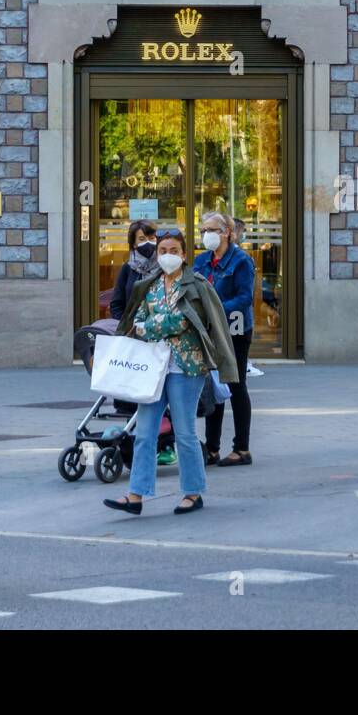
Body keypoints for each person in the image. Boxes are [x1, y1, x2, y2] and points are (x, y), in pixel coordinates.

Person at [103, 227, 238, 516]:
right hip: (153, 368)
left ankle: (193, 492)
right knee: (145, 432)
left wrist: (150, 326)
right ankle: (136, 495)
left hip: (186, 368)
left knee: (185, 432)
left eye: (173, 251)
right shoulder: (150, 284)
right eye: (163, 250)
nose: (167, 256)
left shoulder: (196, 284)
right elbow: (137, 314)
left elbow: (182, 321)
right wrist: (146, 324)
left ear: (184, 253)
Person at [194, 211, 256, 467]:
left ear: (227, 232)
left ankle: (242, 449)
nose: (207, 235)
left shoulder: (241, 261)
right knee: (213, 387)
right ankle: (212, 448)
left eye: (212, 229)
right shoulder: (201, 261)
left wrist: (215, 310)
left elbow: (244, 298)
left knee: (235, 384)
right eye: (203, 230)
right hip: (210, 331)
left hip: (236, 330)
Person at [109, 218, 157, 323]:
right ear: (134, 243)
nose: (147, 242)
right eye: (142, 239)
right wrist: (124, 325)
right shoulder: (128, 267)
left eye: (151, 238)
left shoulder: (164, 266)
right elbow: (117, 303)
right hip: (132, 330)